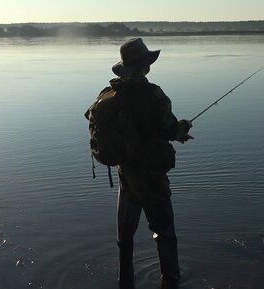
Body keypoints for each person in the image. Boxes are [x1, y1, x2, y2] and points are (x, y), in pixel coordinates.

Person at [104, 38, 193, 289]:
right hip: (151, 174)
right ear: (145, 65)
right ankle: (171, 279)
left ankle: (126, 279)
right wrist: (182, 128)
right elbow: (169, 129)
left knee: (125, 235)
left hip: (125, 172)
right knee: (165, 233)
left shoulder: (112, 94)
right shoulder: (153, 93)